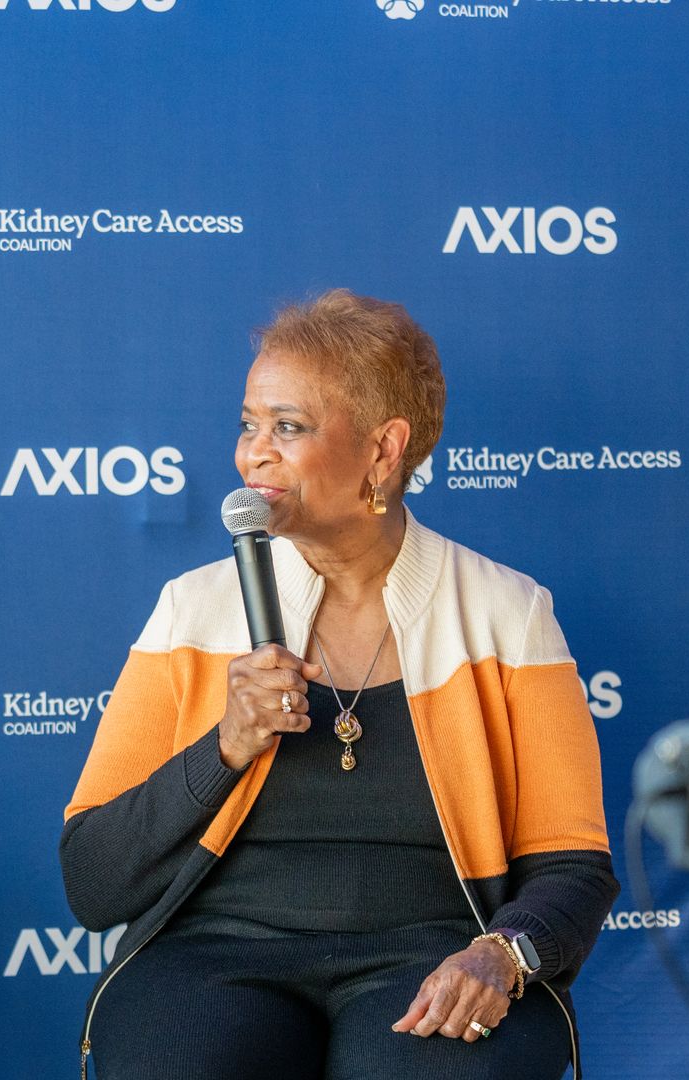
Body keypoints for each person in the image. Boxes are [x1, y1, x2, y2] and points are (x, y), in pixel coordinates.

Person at [61, 290, 619, 1080]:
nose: (253, 454)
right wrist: (225, 746)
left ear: (384, 451)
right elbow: (92, 881)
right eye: (249, 424)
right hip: (214, 955)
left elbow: (574, 867)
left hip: (436, 950)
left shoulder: (507, 613)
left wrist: (503, 954)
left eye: (287, 428)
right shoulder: (194, 609)